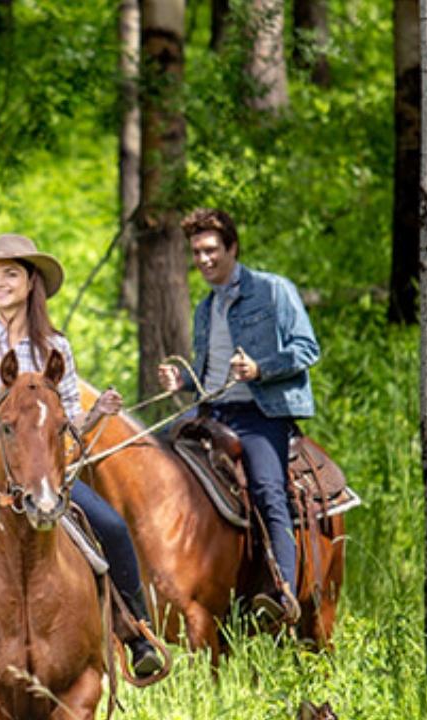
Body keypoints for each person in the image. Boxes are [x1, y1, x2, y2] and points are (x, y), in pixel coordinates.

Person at [0, 234, 162, 703]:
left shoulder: (55, 346)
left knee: (112, 527)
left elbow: (68, 425)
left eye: (10, 274)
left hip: (47, 477)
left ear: (31, 281)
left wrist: (97, 411)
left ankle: (134, 634)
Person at [157, 208, 320, 628]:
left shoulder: (273, 290)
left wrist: (261, 368)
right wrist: (183, 380)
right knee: (154, 462)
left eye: (211, 250)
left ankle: (282, 591)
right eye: (196, 252)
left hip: (260, 412)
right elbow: (208, 375)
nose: (203, 259)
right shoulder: (205, 308)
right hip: (211, 409)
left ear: (232, 247)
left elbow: (307, 350)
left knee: (268, 489)